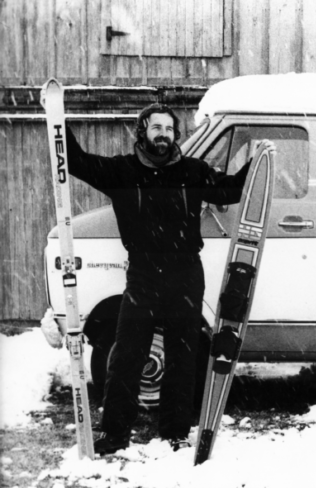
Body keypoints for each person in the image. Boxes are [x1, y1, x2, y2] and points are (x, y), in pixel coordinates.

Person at [66, 103, 275, 455]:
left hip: (185, 273)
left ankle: (175, 433)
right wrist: (60, 121)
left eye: (168, 128)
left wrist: (257, 161)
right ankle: (115, 434)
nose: (162, 134)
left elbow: (232, 192)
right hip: (143, 273)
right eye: (155, 127)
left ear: (175, 135)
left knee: (182, 357)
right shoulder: (121, 171)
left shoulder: (193, 172)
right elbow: (78, 162)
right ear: (142, 132)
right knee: (126, 356)